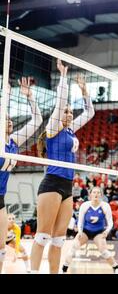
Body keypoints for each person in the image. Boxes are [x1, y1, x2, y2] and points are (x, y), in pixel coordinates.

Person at [31, 60, 95, 274]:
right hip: (51, 183)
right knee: (43, 236)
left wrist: (85, 92)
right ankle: (32, 272)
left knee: (59, 240)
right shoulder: (52, 129)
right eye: (66, 112)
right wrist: (64, 78)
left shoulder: (70, 130)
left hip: (68, 185)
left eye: (70, 112)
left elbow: (90, 113)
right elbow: (59, 105)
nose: (69, 114)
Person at [0, 77, 42, 273]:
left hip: (1, 197)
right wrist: (6, 95)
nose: (9, 121)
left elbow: (38, 121)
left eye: (10, 119)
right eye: (5, 118)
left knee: (1, 245)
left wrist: (29, 97)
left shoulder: (14, 141)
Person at [62, 187, 118, 274]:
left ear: (101, 195)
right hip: (85, 231)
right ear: (90, 194)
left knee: (104, 251)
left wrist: (107, 231)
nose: (96, 194)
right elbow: (80, 221)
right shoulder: (85, 205)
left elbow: (110, 222)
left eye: (98, 192)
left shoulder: (105, 206)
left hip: (99, 232)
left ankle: (116, 268)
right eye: (94, 192)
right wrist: (80, 231)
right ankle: (64, 269)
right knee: (73, 247)